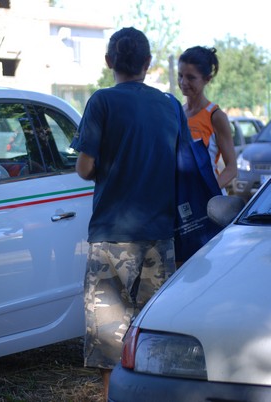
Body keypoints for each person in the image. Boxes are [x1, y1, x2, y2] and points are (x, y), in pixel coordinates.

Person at [71, 27, 180, 401]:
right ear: (148, 64)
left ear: (108, 62)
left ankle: (111, 397)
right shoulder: (170, 105)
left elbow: (86, 168)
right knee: (155, 335)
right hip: (160, 234)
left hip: (111, 235)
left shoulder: (102, 102)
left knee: (108, 336)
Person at [178, 46, 237, 192]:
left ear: (207, 79)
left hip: (209, 201)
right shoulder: (177, 112)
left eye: (191, 77)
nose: (183, 82)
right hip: (183, 199)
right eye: (180, 75)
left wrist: (207, 191)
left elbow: (231, 168)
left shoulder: (216, 116)